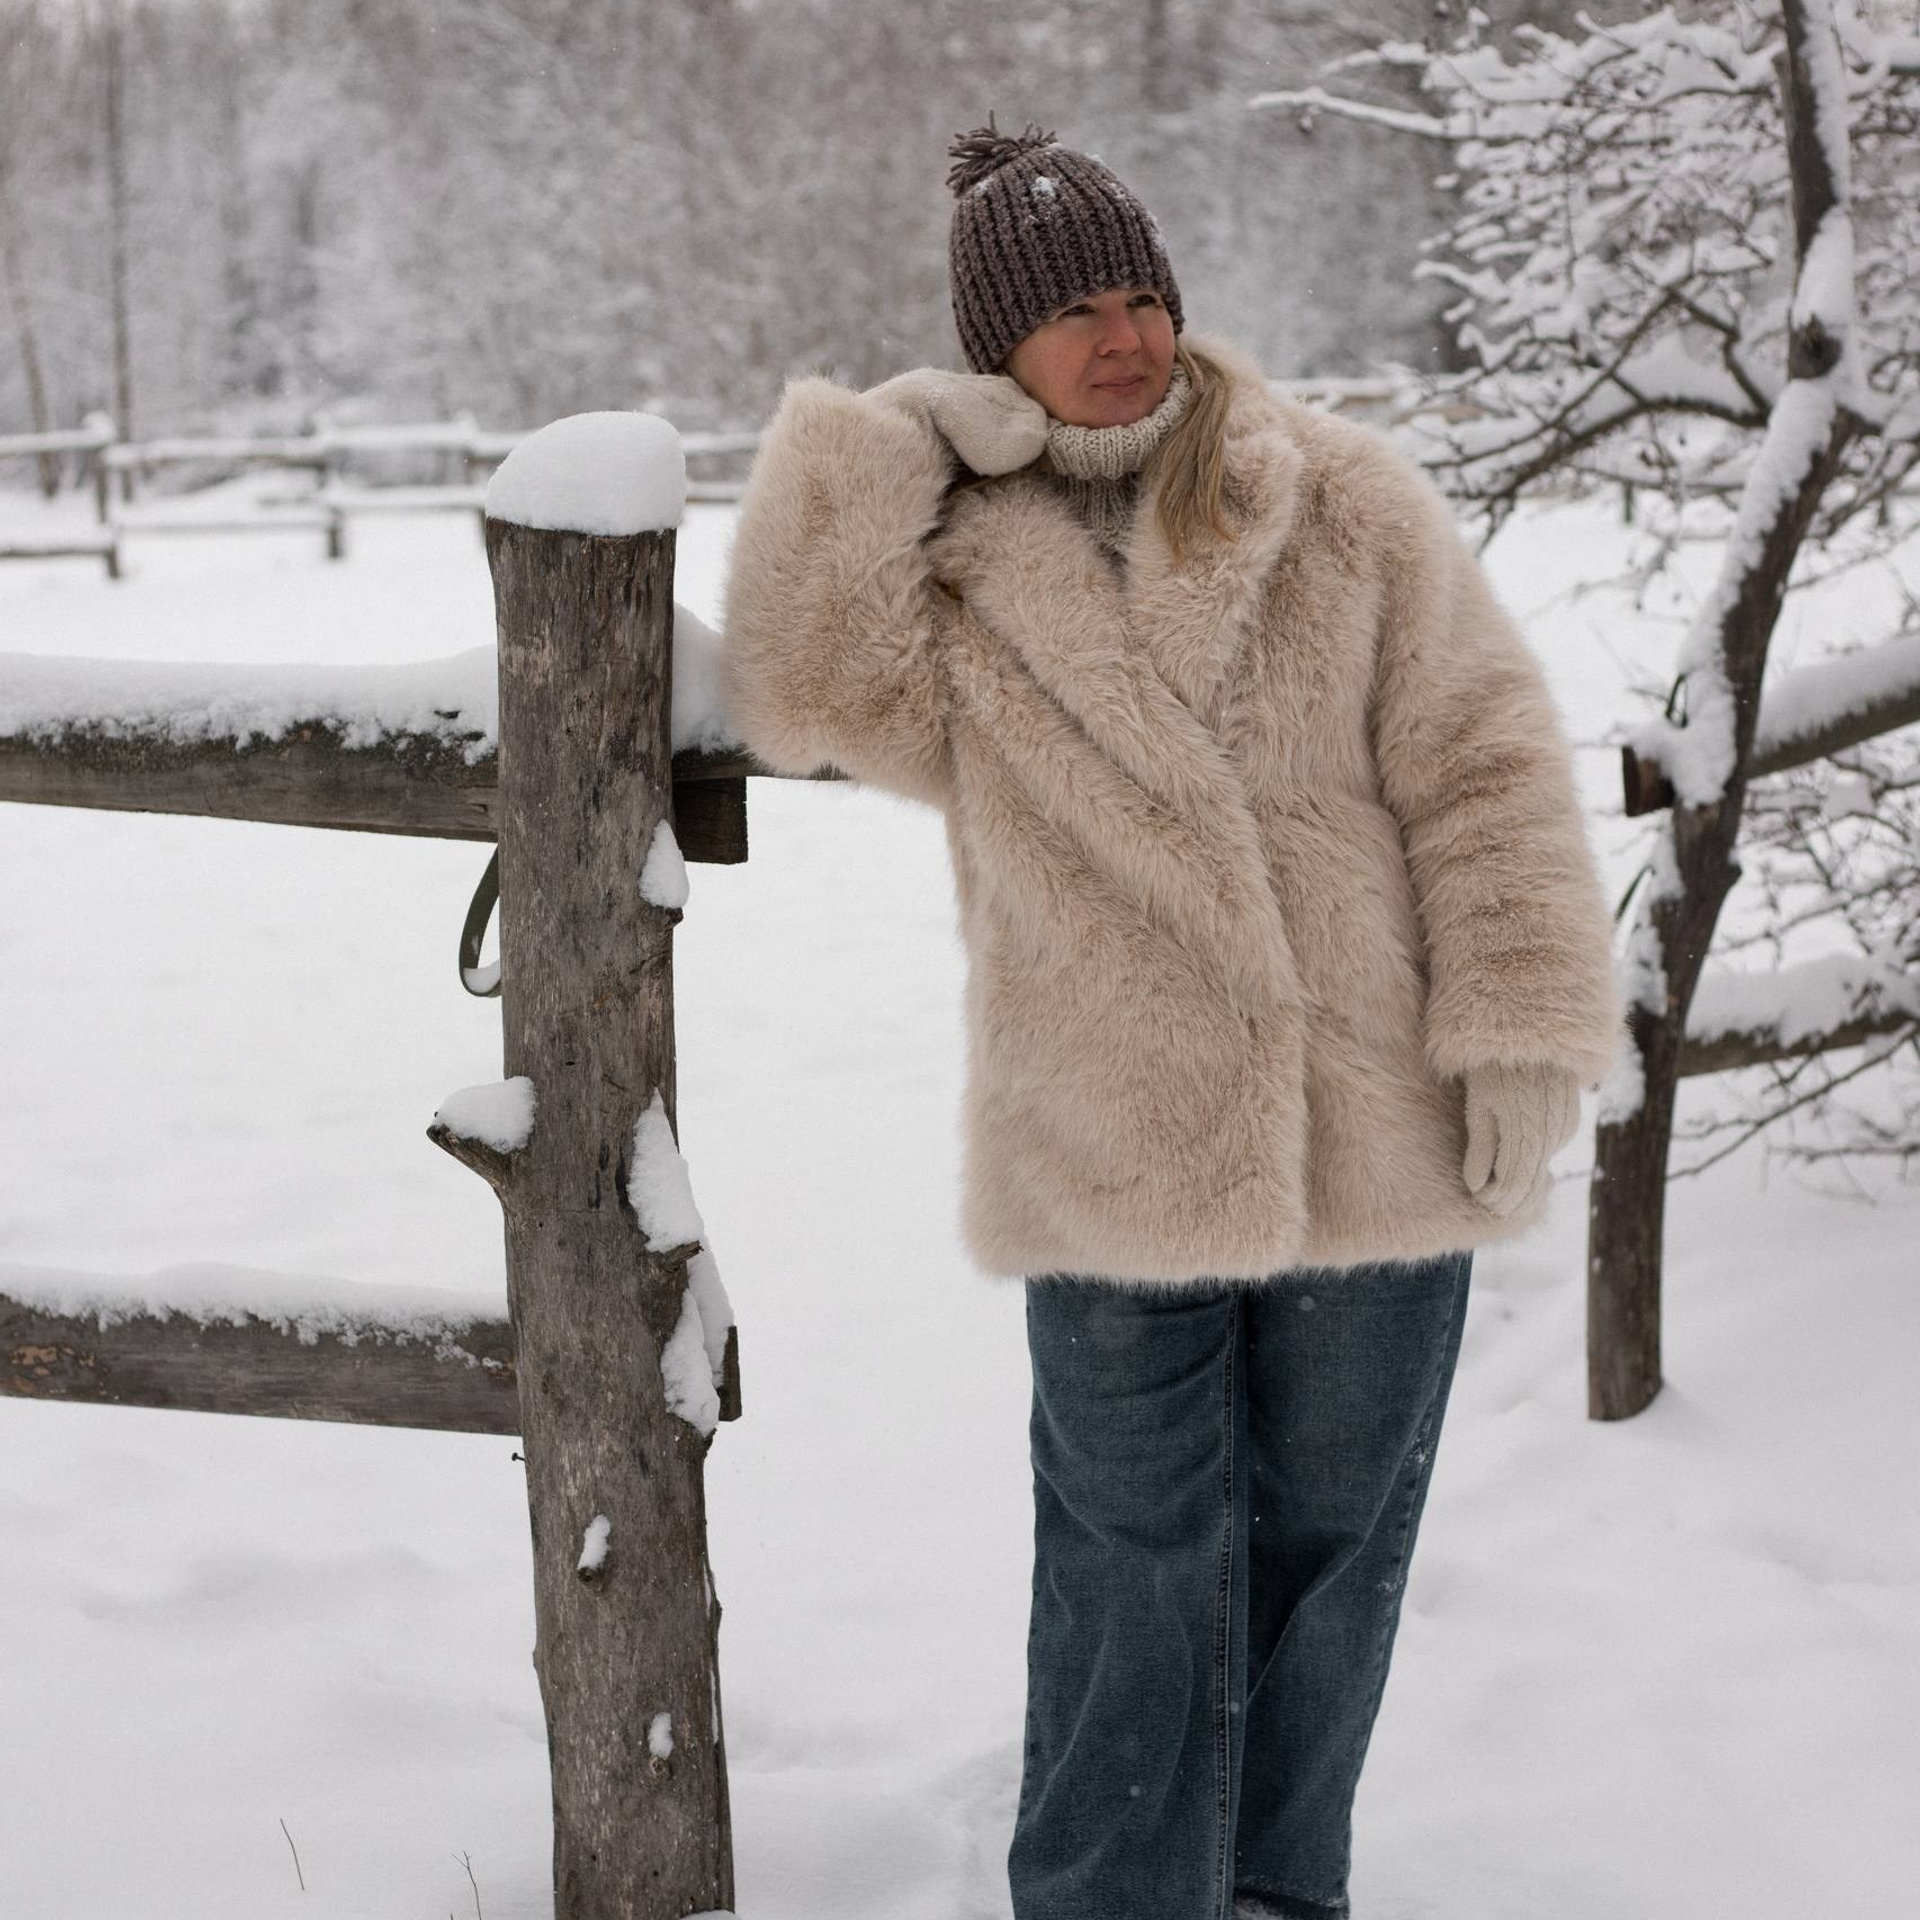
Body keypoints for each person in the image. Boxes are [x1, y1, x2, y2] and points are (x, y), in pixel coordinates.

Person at [719, 118, 1624, 1920]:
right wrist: (889, 445)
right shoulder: (961, 557)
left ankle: (1283, 1887)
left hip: (1374, 1125)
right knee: (1132, 1554)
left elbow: (1486, 759)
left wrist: (1519, 1019)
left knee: (1330, 1546)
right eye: (1069, 312)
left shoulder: (1337, 496)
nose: (1120, 335)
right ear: (1001, 353)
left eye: (1140, 293)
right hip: (1112, 1135)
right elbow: (797, 687)